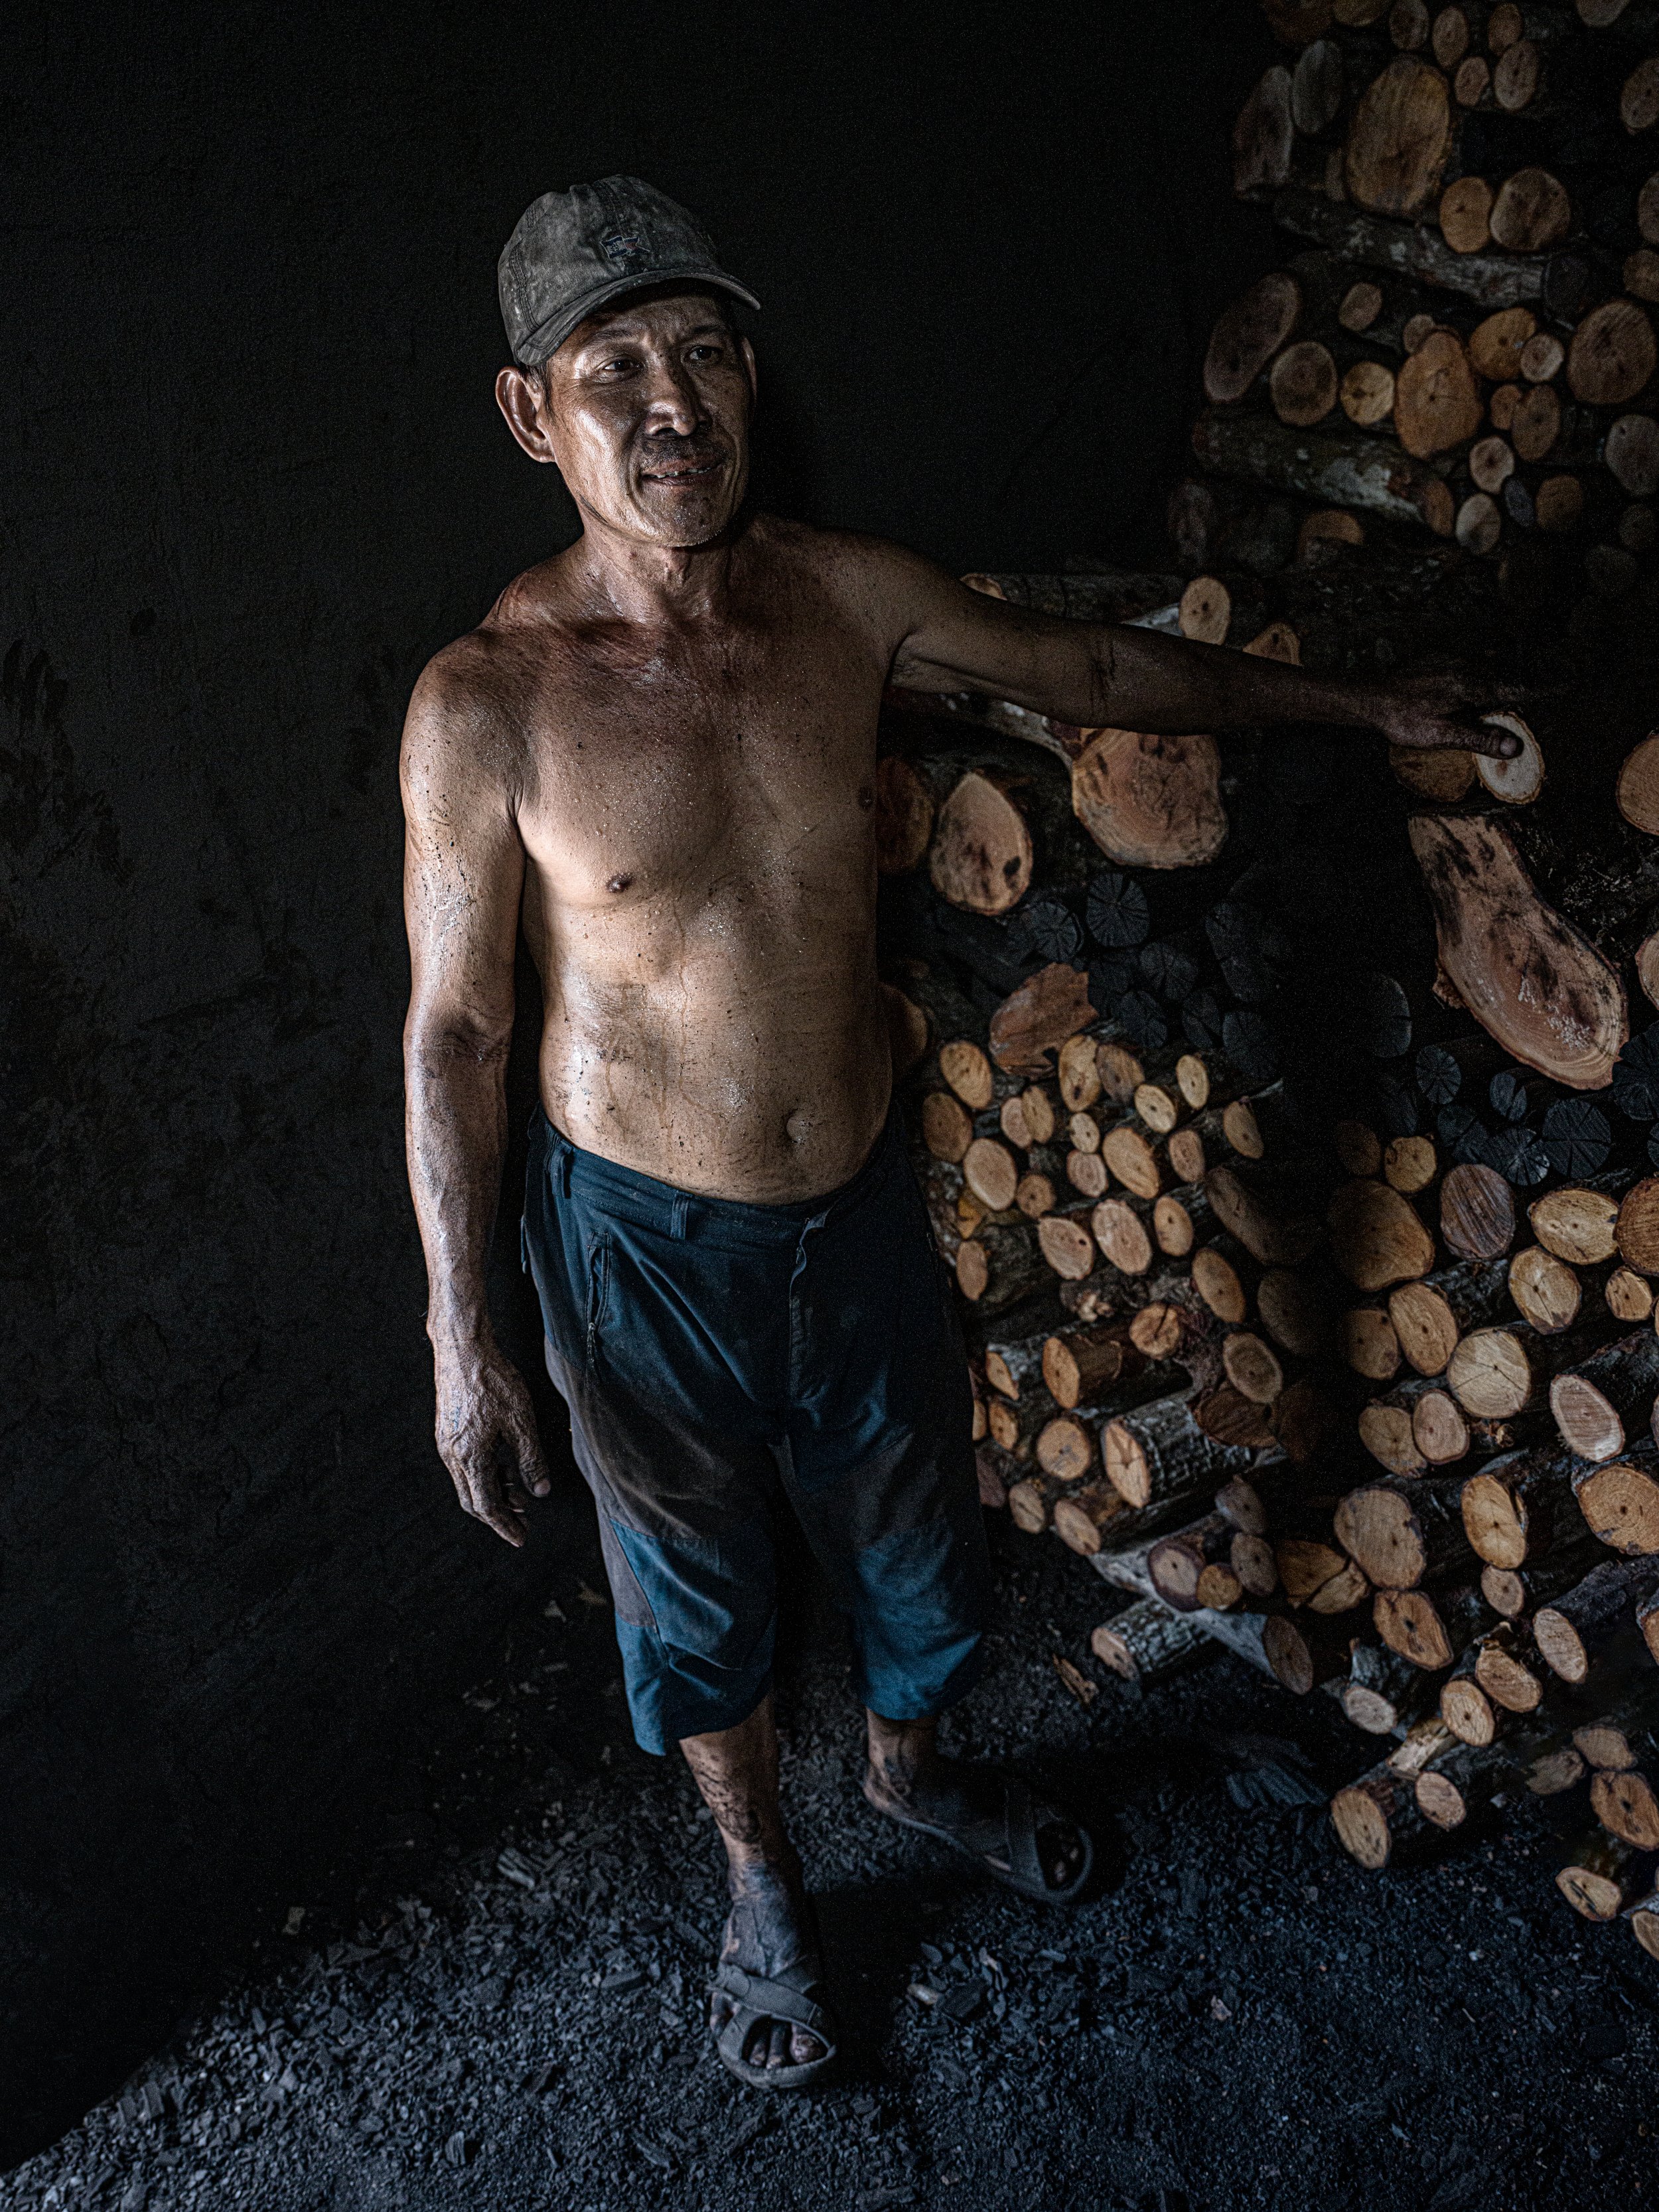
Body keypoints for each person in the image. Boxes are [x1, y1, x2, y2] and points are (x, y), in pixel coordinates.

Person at [400, 175, 1516, 2090]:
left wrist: (1348, 700)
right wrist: (460, 1332)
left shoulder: (846, 601)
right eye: (613, 372)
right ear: (533, 417)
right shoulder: (489, 704)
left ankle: (911, 1778)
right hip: (642, 1244)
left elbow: (1091, 671)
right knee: (699, 1597)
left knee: (914, 1539)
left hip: (850, 1205)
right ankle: (763, 1886)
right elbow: (456, 1027)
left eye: (700, 357)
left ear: (748, 375)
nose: (670, 406)